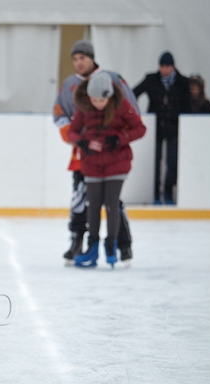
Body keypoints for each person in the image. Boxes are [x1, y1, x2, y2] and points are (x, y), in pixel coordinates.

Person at [53, 40, 139, 266]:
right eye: (74, 59)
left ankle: (123, 244)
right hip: (84, 155)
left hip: (110, 156)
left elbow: (132, 114)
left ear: (92, 57)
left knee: (113, 202)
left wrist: (117, 138)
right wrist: (77, 139)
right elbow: (60, 116)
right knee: (80, 200)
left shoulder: (114, 79)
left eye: (82, 58)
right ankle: (78, 241)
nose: (78, 63)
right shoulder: (70, 84)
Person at [67, 72, 146, 268]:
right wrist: (82, 142)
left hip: (117, 162)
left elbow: (140, 128)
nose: (97, 104)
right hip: (92, 163)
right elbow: (72, 131)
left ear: (109, 96)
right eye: (94, 100)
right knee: (92, 206)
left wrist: (120, 138)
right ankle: (91, 247)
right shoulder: (84, 107)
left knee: (112, 205)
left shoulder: (122, 106)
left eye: (101, 100)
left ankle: (111, 245)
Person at [132, 51, 190, 205]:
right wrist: (135, 113)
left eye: (168, 66)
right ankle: (156, 194)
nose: (164, 70)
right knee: (155, 162)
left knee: (172, 162)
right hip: (156, 127)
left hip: (174, 127)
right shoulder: (151, 79)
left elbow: (188, 104)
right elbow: (134, 93)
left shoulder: (183, 82)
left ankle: (169, 193)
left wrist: (185, 121)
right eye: (162, 66)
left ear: (173, 66)